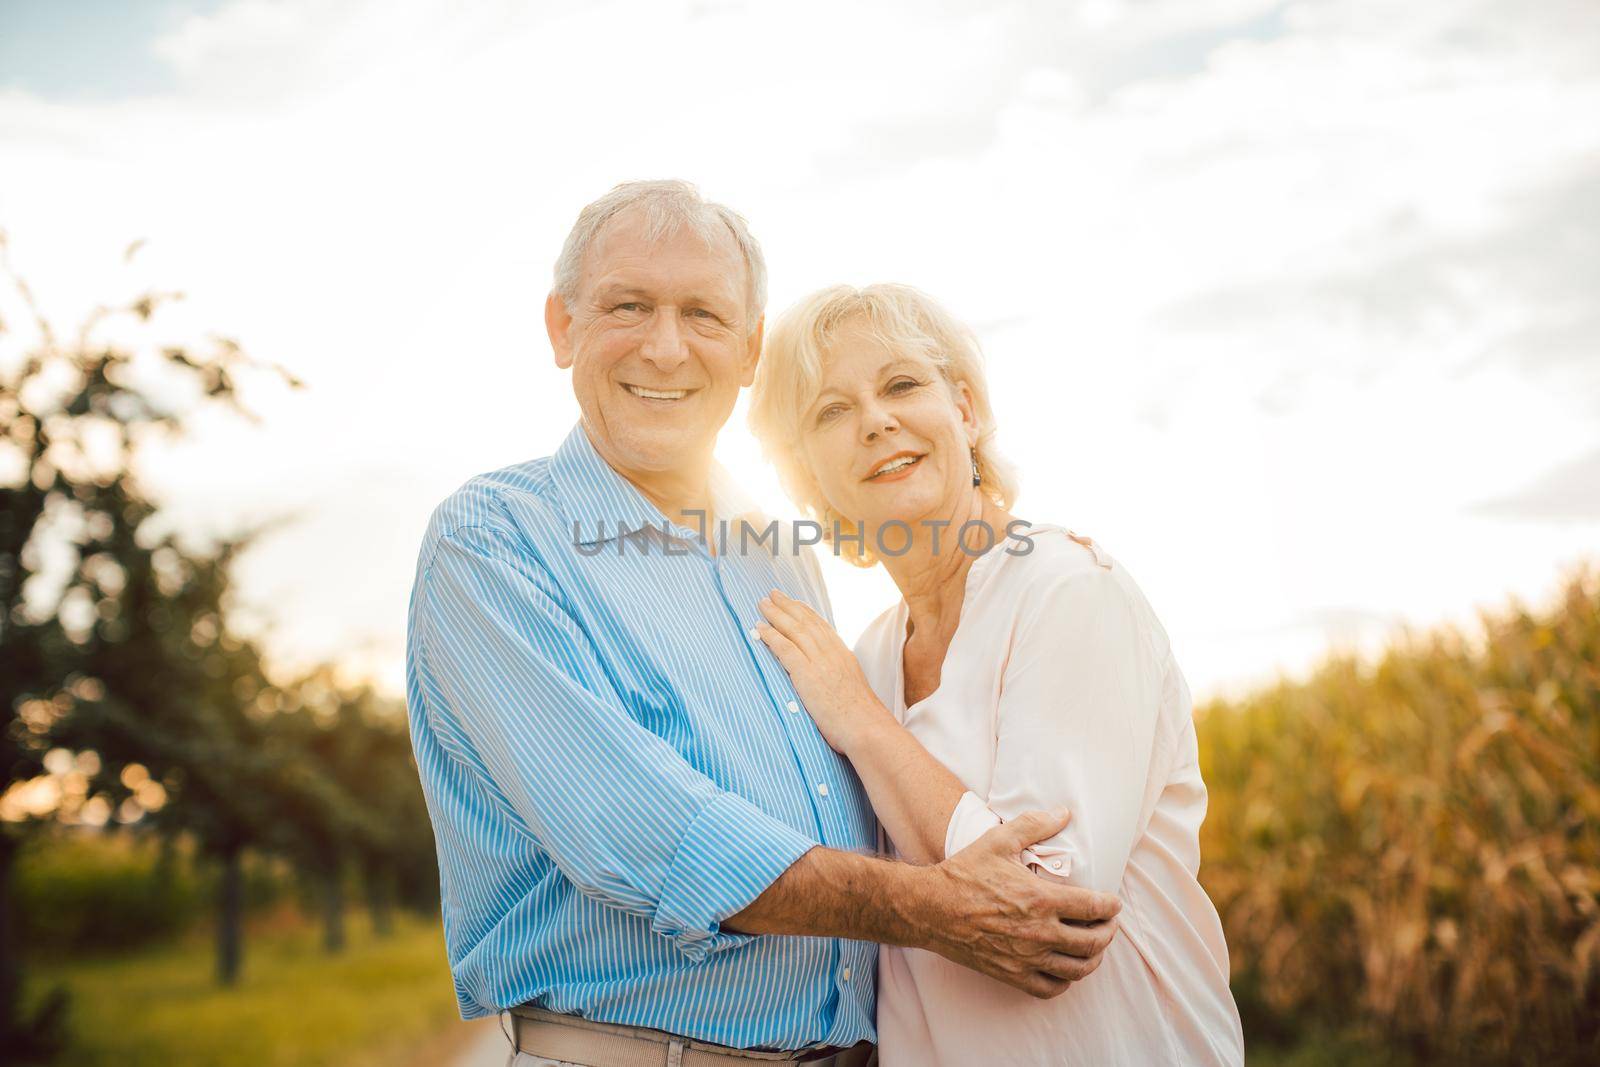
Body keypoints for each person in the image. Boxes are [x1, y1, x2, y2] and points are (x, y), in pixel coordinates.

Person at [404, 182, 1122, 1067]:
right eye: (629, 306)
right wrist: (936, 907)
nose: (666, 348)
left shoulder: (775, 557)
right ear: (562, 327)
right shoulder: (496, 541)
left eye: (704, 315)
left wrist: (1039, 559)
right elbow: (644, 830)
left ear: (747, 349)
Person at [747, 283, 1246, 1066]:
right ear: (809, 476)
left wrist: (861, 721)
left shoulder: (1067, 592)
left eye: (902, 384)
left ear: (967, 410)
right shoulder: (865, 657)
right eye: (831, 411)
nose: (876, 419)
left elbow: (1051, 910)